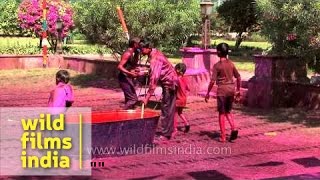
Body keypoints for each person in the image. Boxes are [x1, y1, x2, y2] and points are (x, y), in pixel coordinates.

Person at [140, 40, 178, 141]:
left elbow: (154, 81)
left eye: (142, 49)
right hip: (171, 82)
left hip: (170, 84)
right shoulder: (155, 53)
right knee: (168, 108)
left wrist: (147, 98)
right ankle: (170, 131)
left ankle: (166, 134)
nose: (140, 51)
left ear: (148, 48)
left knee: (167, 109)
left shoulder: (155, 59)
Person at [205, 43, 241, 143]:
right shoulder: (231, 63)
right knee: (228, 111)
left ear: (219, 52)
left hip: (222, 91)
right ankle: (233, 128)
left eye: (217, 50)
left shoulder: (217, 66)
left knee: (221, 113)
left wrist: (208, 93)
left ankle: (223, 136)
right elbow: (238, 77)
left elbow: (212, 81)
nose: (216, 52)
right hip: (231, 90)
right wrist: (238, 90)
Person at [117, 37, 141, 110]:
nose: (141, 45)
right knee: (133, 99)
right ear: (135, 44)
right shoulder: (127, 53)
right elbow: (120, 67)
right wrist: (130, 73)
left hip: (128, 77)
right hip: (124, 78)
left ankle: (128, 115)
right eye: (139, 44)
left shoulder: (133, 53)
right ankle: (121, 112)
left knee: (129, 99)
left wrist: (137, 54)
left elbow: (133, 64)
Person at [173, 63, 190, 136]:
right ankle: (187, 123)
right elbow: (188, 88)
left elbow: (174, 88)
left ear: (177, 70)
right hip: (184, 98)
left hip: (178, 98)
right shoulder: (185, 78)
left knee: (174, 114)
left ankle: (174, 129)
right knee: (180, 112)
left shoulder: (177, 79)